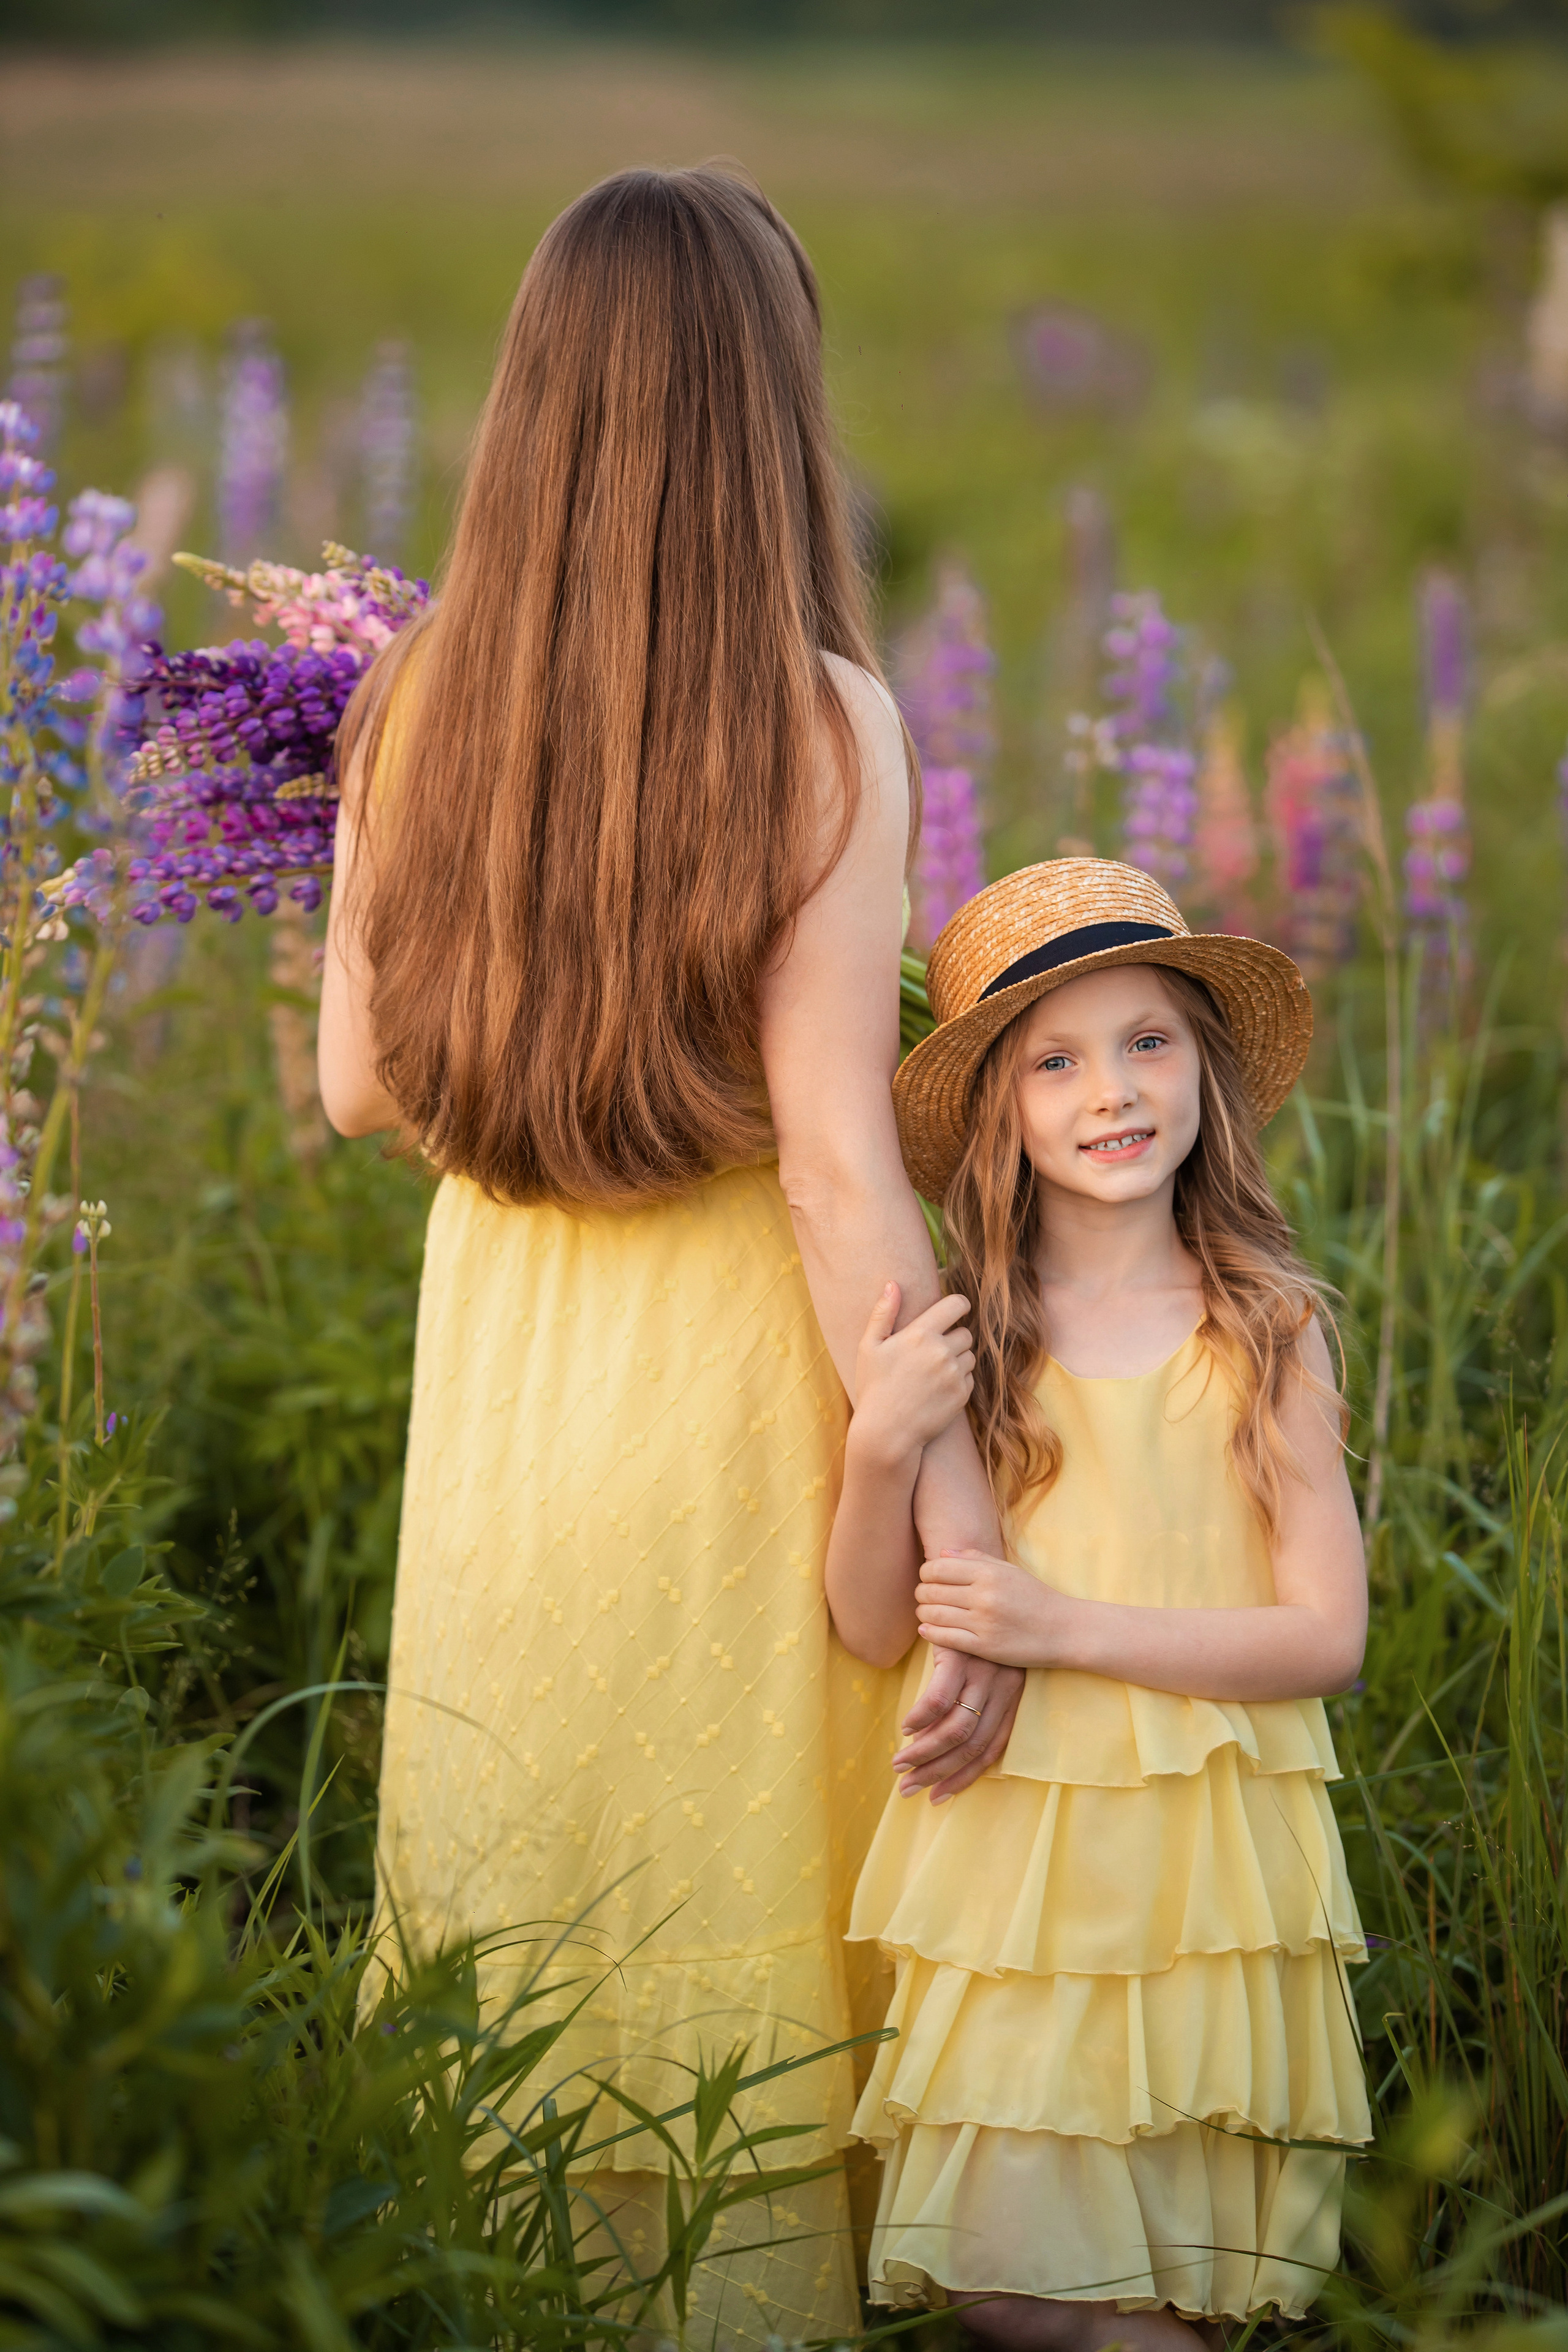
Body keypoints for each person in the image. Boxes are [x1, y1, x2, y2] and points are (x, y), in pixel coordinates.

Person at [316, 164, 1024, 2346]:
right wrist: (970, 1522)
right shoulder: (822, 721)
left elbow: (355, 1087)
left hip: (512, 1382)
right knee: (737, 1855)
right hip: (731, 1386)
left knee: (535, 1848)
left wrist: (554, 1030)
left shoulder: (412, 695)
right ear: (766, 409)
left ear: (534, 400)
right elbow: (835, 1164)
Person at [826, 858, 1373, 2347]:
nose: (1112, 1090)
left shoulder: (1263, 1329)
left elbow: (1323, 1635)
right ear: (998, 1111)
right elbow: (873, 1626)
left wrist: (1058, 1626)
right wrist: (880, 1448)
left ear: (1204, 1068)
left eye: (1146, 1041)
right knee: (1013, 2286)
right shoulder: (963, 1339)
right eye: (1054, 1062)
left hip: (1205, 1882)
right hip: (1016, 1881)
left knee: (1172, 2280)